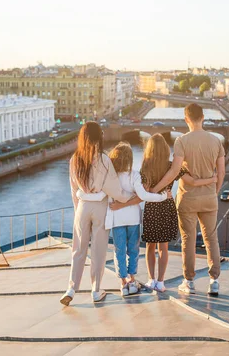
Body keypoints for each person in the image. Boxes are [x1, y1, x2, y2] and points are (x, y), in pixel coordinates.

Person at [117, 134, 215, 292]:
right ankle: (161, 282)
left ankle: (151, 280)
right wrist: (212, 179)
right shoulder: (172, 166)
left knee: (150, 247)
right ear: (164, 149)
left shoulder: (145, 166)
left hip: (152, 208)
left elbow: (146, 191)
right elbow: (194, 181)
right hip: (167, 207)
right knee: (164, 248)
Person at [76, 142, 171, 296]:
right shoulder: (134, 175)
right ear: (130, 159)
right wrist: (163, 196)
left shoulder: (109, 177)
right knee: (133, 250)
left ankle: (123, 283)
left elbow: (100, 195)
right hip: (133, 220)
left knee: (119, 251)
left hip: (116, 220)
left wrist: (80, 195)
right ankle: (132, 280)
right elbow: (144, 196)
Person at [151, 104, 225, 296]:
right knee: (211, 239)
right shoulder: (216, 141)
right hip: (209, 197)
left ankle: (189, 281)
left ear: (186, 119)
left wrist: (155, 189)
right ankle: (214, 281)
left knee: (188, 240)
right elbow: (221, 172)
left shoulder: (181, 141)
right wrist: (213, 191)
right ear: (203, 117)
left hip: (187, 198)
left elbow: (175, 171)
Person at [61, 122, 132, 306]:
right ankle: (96, 290)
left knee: (78, 250)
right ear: (98, 137)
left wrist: (78, 210)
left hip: (83, 207)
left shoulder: (75, 159)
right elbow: (115, 190)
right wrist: (130, 197)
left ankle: (71, 288)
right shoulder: (103, 159)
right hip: (100, 207)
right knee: (98, 251)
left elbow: (73, 189)